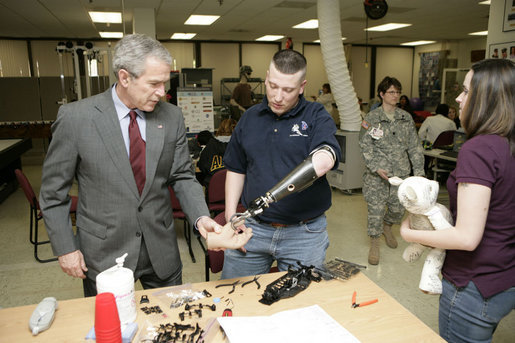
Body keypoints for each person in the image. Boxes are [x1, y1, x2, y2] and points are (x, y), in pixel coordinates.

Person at [39, 34, 228, 297]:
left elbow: (183, 176)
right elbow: (52, 193)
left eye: (165, 83)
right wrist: (65, 248)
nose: (163, 92)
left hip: (161, 250)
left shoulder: (171, 116)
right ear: (125, 77)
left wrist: (201, 217)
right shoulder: (76, 119)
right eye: (154, 83)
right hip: (104, 253)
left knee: (171, 326)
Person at [400, 58, 515, 343]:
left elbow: (466, 238)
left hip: (473, 284)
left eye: (466, 91)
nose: (458, 99)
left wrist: (408, 232)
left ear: (486, 99)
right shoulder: (507, 144)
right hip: (505, 276)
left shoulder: (479, 149)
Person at [221, 49, 341, 278]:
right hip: (253, 228)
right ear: (266, 77)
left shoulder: (316, 115)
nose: (278, 96)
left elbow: (327, 154)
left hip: (304, 234)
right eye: (273, 86)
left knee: (301, 306)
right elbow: (236, 168)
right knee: (235, 296)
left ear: (302, 86)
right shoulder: (249, 118)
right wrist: (230, 216)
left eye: (288, 90)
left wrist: (324, 158)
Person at [359, 76, 425, 265]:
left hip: (401, 173)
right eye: (391, 92)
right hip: (377, 175)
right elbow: (364, 145)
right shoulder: (372, 118)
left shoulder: (405, 118)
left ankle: (388, 227)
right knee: (376, 210)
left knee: (397, 209)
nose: (396, 96)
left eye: (398, 92)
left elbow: (414, 147)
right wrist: (374, 166)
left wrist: (419, 173)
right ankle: (374, 242)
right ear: (382, 94)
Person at [196, 119, 236, 188]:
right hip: (236, 189)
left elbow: (202, 166)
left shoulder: (210, 145)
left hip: (214, 189)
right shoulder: (239, 145)